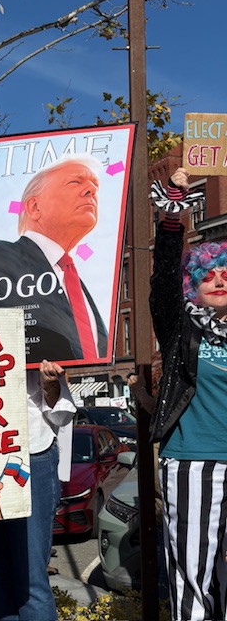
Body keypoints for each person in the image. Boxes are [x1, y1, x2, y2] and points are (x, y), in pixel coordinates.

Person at [149, 167, 227, 621]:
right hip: (194, 461)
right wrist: (173, 212)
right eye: (207, 276)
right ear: (193, 286)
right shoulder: (182, 328)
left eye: (225, 274)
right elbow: (162, 279)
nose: (218, 280)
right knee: (193, 572)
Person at [0, 154, 108, 364]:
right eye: (75, 182)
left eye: (95, 186)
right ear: (34, 207)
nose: (91, 190)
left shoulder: (72, 278)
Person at [0, 359, 76, 621]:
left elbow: (61, 415)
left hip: (31, 452)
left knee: (31, 582)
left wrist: (51, 385)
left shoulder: (40, 339)